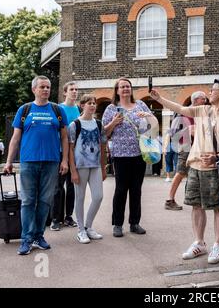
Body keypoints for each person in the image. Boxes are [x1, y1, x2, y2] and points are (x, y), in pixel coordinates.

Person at [150, 79, 219, 265]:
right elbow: (181, 109)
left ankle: (217, 245)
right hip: (195, 165)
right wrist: (160, 99)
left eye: (213, 90)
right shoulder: (202, 110)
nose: (209, 93)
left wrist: (218, 156)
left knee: (218, 207)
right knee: (196, 205)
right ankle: (199, 242)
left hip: (215, 167)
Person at [4, 75, 69, 255]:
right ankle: (26, 239)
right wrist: (9, 161)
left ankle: (39, 236)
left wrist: (64, 160)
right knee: (27, 201)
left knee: (45, 201)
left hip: (51, 162)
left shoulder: (57, 110)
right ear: (34, 89)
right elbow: (15, 138)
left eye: (48, 87)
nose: (46, 90)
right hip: (29, 163)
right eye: (42, 87)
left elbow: (65, 137)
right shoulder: (24, 110)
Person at [102, 78, 158, 238]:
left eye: (128, 86)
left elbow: (153, 124)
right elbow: (104, 133)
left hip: (139, 153)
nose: (126, 89)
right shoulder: (111, 108)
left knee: (136, 189)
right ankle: (117, 224)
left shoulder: (140, 104)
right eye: (122, 87)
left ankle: (134, 223)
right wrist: (113, 122)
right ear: (117, 90)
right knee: (120, 189)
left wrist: (147, 116)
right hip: (120, 155)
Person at [69, 94, 107, 244]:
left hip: (95, 165)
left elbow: (103, 146)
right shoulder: (75, 125)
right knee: (80, 198)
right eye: (89, 103)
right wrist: (73, 170)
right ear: (82, 105)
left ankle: (88, 226)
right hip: (80, 166)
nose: (92, 105)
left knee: (98, 196)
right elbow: (70, 149)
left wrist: (104, 168)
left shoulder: (99, 124)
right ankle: (80, 230)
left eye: (94, 103)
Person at [165, 91, 207, 211]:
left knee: (195, 173)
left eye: (205, 99)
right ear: (195, 100)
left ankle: (197, 200)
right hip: (185, 146)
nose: (205, 101)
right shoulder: (183, 113)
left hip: (198, 147)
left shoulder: (199, 113)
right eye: (202, 99)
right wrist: (188, 130)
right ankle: (169, 200)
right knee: (181, 172)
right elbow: (173, 133)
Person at [50, 81, 80, 231]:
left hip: (73, 153)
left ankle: (68, 216)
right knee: (58, 187)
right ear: (65, 93)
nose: (74, 92)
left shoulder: (77, 109)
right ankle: (56, 218)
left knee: (71, 185)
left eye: (76, 90)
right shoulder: (58, 109)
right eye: (71, 90)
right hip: (60, 152)